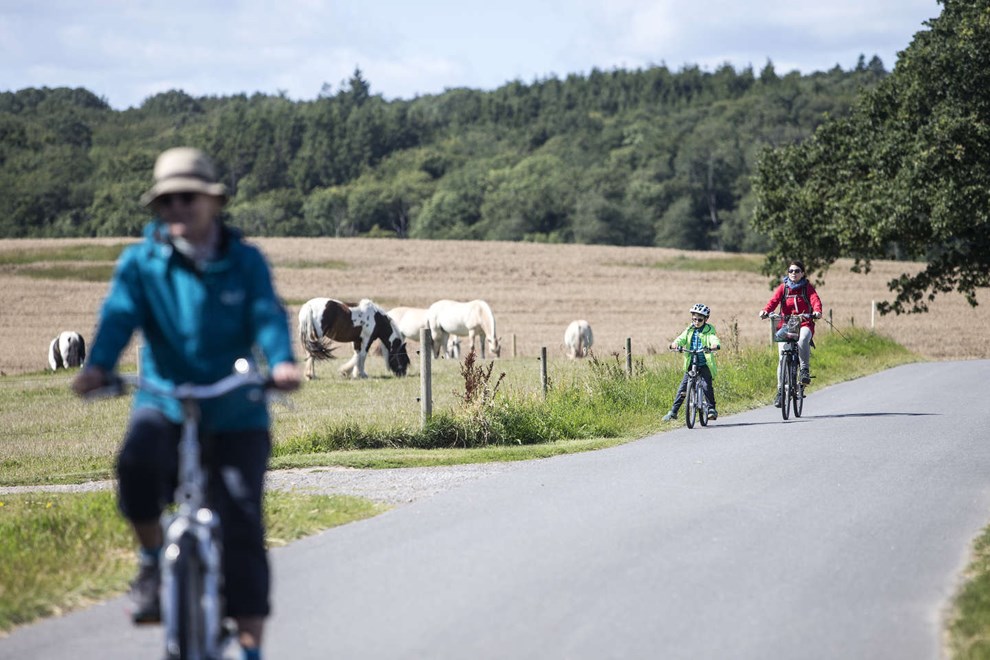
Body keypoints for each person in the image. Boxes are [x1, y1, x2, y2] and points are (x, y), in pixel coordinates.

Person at [72, 146, 301, 660]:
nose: (176, 209)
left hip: (236, 406)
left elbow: (267, 314)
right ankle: (153, 561)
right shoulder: (142, 264)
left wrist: (282, 363)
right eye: (165, 201)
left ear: (212, 202)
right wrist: (99, 365)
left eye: (186, 199)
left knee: (241, 523)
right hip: (165, 399)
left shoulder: (244, 262)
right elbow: (119, 315)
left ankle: (248, 648)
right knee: (136, 465)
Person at [758, 259, 823, 407]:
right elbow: (773, 301)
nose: (794, 273)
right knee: (782, 358)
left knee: (801, 341)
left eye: (797, 271)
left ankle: (804, 371)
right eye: (791, 271)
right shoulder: (783, 288)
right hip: (786, 325)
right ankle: (780, 392)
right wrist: (766, 311)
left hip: (804, 323)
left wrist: (817, 312)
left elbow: (815, 300)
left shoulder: (807, 288)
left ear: (803, 273)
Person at [662, 303, 721, 421]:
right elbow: (681, 338)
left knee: (706, 385)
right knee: (683, 387)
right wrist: (675, 344)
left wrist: (714, 346)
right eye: (694, 319)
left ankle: (711, 409)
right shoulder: (689, 329)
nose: (697, 322)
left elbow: (713, 338)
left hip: (704, 363)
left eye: (700, 319)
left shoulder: (709, 330)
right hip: (691, 363)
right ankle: (673, 411)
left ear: (705, 319)